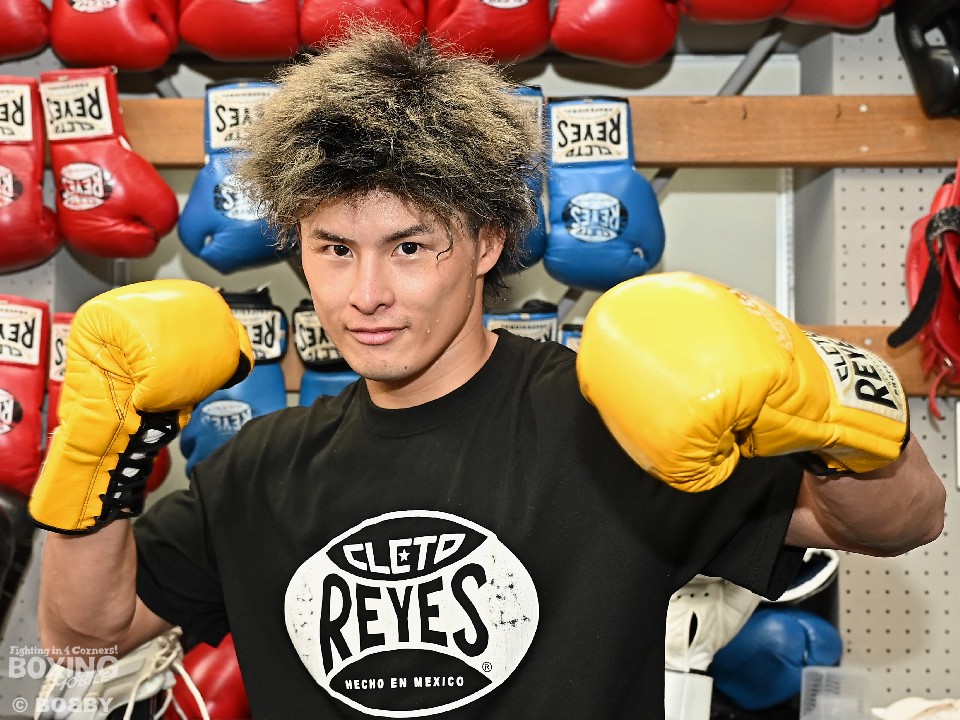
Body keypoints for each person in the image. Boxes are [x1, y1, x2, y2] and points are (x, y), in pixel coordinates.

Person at [32, 25, 945, 720]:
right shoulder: (259, 468)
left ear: (486, 241)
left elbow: (903, 521)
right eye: (334, 248)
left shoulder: (609, 424)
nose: (365, 294)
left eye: (409, 246)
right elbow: (85, 640)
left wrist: (838, 411)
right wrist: (101, 459)